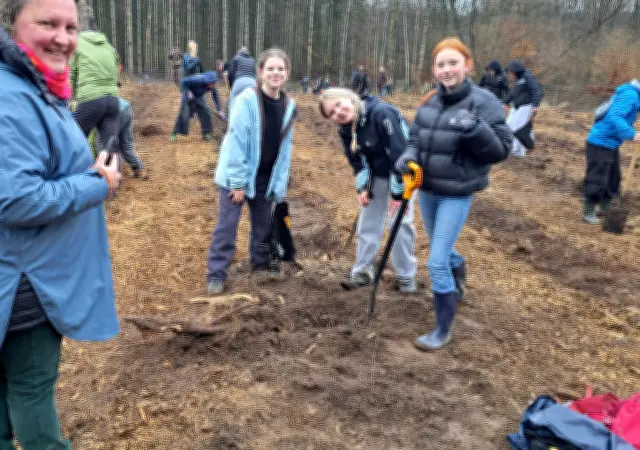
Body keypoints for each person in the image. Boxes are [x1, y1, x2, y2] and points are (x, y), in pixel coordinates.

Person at [0, 1, 121, 448]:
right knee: (30, 390)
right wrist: (97, 183)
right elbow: (13, 200)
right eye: (47, 23)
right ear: (10, 25)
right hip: (17, 279)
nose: (63, 38)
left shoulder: (7, 81)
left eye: (70, 26)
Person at [394, 37, 511, 351]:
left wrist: (476, 128)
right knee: (441, 250)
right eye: (441, 65)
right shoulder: (429, 101)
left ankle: (442, 329)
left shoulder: (484, 102)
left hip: (457, 192)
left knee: (434, 262)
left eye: (453, 63)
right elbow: (414, 141)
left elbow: (501, 150)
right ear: (434, 69)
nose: (447, 70)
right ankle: (458, 267)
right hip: (429, 189)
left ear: (467, 65)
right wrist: (406, 158)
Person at [206, 48, 298, 295]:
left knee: (263, 227)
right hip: (237, 176)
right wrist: (237, 183)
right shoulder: (247, 100)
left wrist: (279, 185)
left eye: (280, 69)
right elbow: (236, 141)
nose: (275, 73)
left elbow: (285, 151)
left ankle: (260, 267)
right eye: (270, 69)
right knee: (227, 225)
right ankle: (216, 274)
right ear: (260, 73)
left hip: (264, 178)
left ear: (287, 73)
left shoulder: (289, 106)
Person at [318, 88, 418, 293]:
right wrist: (362, 187)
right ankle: (363, 272)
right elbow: (357, 162)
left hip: (404, 173)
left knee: (399, 222)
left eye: (338, 104)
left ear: (348, 96)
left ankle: (406, 276)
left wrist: (398, 194)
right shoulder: (345, 129)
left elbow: (401, 153)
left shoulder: (381, 113)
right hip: (378, 175)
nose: (338, 112)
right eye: (332, 113)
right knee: (368, 222)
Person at [582, 79, 640, 224]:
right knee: (597, 178)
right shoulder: (630, 95)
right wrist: (632, 134)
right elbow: (615, 116)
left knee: (613, 178)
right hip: (601, 142)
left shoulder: (632, 94)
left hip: (611, 143)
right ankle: (588, 212)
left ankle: (605, 208)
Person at [70, 6, 121, 153]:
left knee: (73, 138)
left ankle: (76, 171)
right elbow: (116, 67)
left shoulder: (77, 43)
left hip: (90, 99)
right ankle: (111, 175)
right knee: (110, 145)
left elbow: (71, 72)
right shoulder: (108, 45)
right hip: (112, 99)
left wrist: (68, 97)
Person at [91, 97, 148, 179]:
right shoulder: (95, 93)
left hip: (114, 112)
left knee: (101, 142)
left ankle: (110, 174)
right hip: (125, 107)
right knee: (125, 144)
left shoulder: (85, 105)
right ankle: (139, 169)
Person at [503, 60, 542, 158]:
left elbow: (536, 90)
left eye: (511, 72)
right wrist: (505, 103)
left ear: (516, 70)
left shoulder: (528, 77)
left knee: (518, 129)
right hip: (516, 107)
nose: (510, 74)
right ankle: (511, 148)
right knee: (509, 125)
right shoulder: (518, 80)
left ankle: (518, 152)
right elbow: (512, 93)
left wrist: (535, 105)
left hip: (526, 106)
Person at [171, 71, 224, 142]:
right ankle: (174, 133)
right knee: (184, 114)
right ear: (207, 81)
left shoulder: (212, 85)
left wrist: (220, 110)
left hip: (199, 96)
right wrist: (188, 91)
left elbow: (216, 97)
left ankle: (206, 133)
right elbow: (183, 82)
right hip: (188, 95)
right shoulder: (197, 79)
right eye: (212, 83)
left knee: (205, 113)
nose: (213, 85)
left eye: (214, 83)